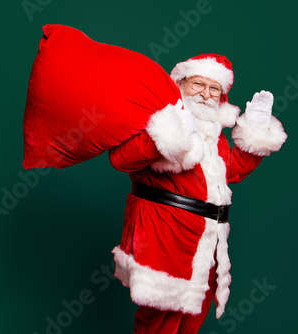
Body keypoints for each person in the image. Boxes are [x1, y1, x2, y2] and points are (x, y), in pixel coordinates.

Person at [108, 54, 287, 334]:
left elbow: (232, 172)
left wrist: (255, 128)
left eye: (214, 88)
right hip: (164, 234)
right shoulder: (158, 118)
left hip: (206, 239)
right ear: (180, 83)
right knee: (160, 321)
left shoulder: (214, 132)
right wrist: (169, 137)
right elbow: (122, 159)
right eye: (198, 84)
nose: (205, 94)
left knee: (191, 320)